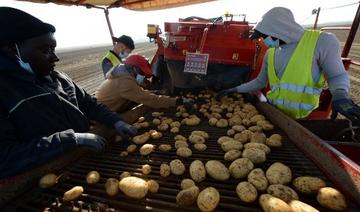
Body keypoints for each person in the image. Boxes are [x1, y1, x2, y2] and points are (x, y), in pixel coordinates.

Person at [0, 7, 137, 178]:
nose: (55, 58)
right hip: (44, 181)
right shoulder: (6, 91)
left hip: (81, 161)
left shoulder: (57, 77)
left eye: (54, 49)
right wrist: (72, 140)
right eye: (45, 50)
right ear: (12, 50)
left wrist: (116, 122)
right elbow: (5, 157)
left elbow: (88, 103)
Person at [217, 7, 360, 121]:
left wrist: (341, 95)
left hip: (305, 117)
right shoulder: (271, 53)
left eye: (264, 36)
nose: (263, 41)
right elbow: (260, 82)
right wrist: (235, 89)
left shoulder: (321, 41)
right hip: (274, 115)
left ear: (277, 31)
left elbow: (337, 75)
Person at [95, 54, 193, 113]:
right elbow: (151, 100)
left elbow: (139, 92)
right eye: (142, 73)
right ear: (133, 68)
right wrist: (178, 101)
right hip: (104, 115)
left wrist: (155, 92)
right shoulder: (124, 82)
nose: (143, 77)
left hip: (110, 108)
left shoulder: (123, 74)